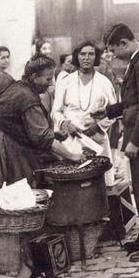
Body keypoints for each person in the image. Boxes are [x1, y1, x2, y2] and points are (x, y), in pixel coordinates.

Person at [94, 23, 139, 262]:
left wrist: (134, 141)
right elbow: (133, 101)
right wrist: (107, 111)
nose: (113, 56)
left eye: (114, 50)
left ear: (124, 43)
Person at [0, 55, 84, 189]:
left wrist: (54, 134)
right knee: (9, 189)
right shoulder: (28, 98)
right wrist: (72, 156)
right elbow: (42, 138)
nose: (51, 83)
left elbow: (31, 128)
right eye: (48, 79)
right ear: (35, 77)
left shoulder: (20, 86)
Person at [52, 40, 117, 187]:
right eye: (82, 54)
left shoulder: (104, 82)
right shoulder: (66, 81)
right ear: (77, 57)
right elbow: (55, 111)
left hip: (97, 139)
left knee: (100, 185)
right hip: (71, 140)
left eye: (91, 54)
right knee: (74, 183)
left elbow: (114, 111)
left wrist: (98, 125)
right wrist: (66, 124)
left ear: (96, 57)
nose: (86, 58)